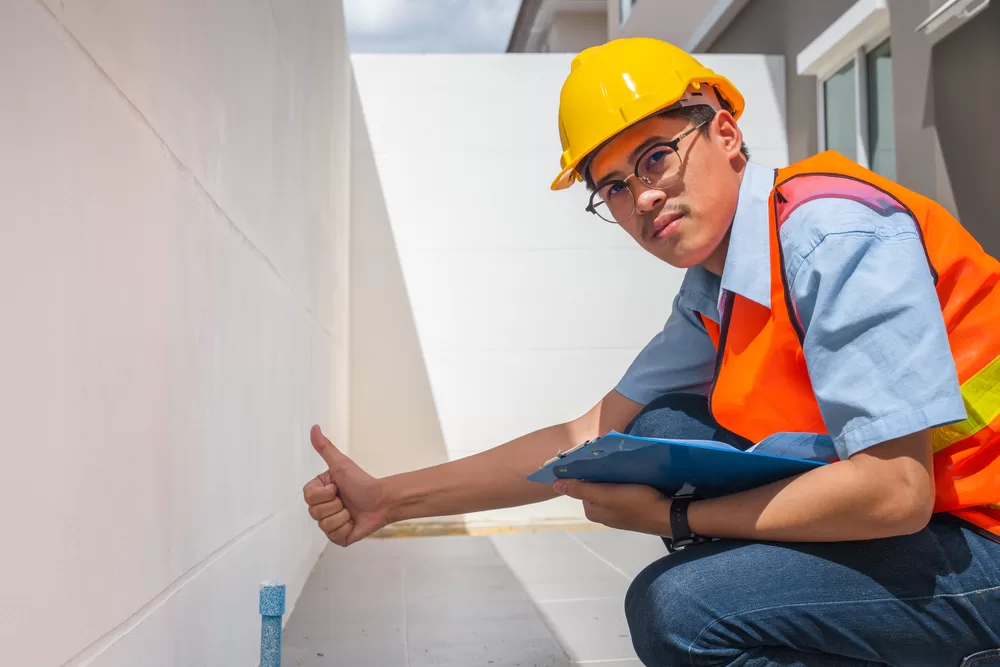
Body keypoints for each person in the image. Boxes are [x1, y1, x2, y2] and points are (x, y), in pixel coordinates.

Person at [301, 37, 1000, 666]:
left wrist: (676, 519)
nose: (642, 197)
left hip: (980, 538)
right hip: (932, 515)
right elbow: (584, 436)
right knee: (654, 431)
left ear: (726, 133)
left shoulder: (830, 236)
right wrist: (390, 500)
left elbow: (896, 491)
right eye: (614, 185)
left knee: (680, 610)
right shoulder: (716, 285)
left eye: (655, 157)